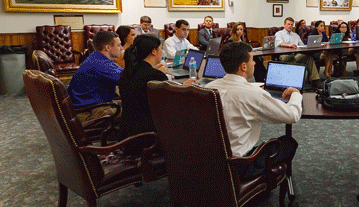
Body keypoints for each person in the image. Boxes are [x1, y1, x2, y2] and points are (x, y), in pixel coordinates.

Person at [205, 41, 302, 180]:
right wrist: (296, 93)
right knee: (288, 143)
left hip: (207, 159)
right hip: (238, 165)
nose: (255, 63)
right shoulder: (252, 94)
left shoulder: (207, 88)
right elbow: (292, 115)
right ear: (243, 66)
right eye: (252, 60)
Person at [118, 35, 197, 153]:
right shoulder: (154, 75)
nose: (162, 51)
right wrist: (185, 87)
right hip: (149, 136)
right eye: (161, 48)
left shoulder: (128, 71)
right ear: (153, 51)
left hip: (128, 132)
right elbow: (172, 104)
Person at [67, 30, 123, 123]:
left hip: (91, 106)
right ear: (108, 47)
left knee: (135, 104)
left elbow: (123, 73)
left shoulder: (97, 57)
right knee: (138, 109)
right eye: (118, 45)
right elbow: (128, 79)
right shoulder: (100, 64)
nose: (121, 48)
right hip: (89, 111)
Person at [274, 17, 322, 89]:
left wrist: (308, 46)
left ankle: (315, 81)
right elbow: (280, 43)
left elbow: (301, 45)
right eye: (288, 24)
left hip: (296, 55)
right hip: (284, 55)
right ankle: (295, 82)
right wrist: (289, 45)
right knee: (292, 58)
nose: (290, 26)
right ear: (284, 24)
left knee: (308, 58)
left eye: (291, 24)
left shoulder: (295, 35)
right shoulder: (279, 34)